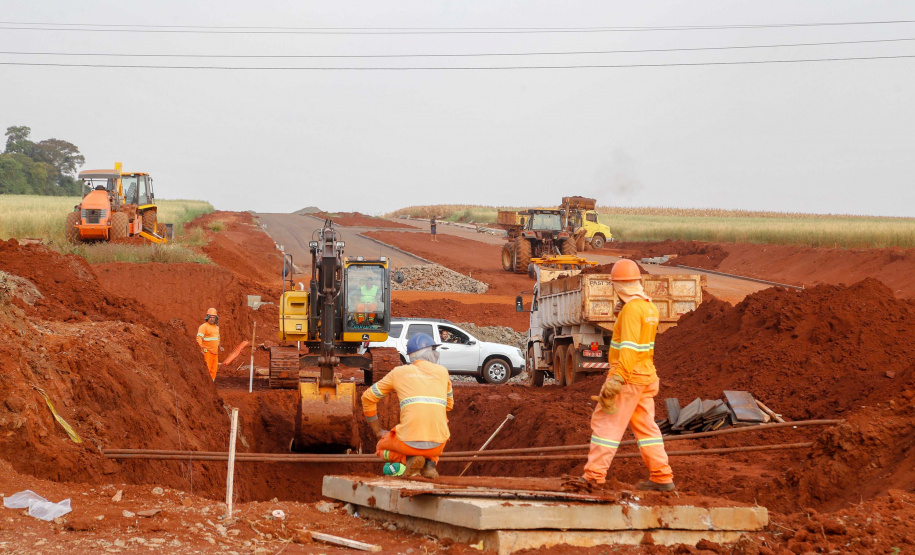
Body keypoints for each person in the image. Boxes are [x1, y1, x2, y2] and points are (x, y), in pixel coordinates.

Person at [581, 259, 675, 491]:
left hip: (629, 377)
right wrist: (621, 315)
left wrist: (617, 379)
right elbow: (640, 338)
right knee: (647, 428)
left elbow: (630, 347)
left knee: (606, 425)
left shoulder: (632, 310)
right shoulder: (648, 307)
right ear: (637, 283)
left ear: (618, 286)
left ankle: (593, 476)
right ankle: (662, 476)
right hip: (645, 376)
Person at [361, 333, 453, 478]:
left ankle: (408, 459)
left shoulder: (399, 372)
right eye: (434, 350)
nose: (436, 353)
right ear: (429, 353)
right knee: (442, 420)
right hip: (438, 446)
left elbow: (367, 397)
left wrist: (378, 430)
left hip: (408, 443)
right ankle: (430, 464)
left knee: (380, 448)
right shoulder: (443, 372)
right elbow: (449, 406)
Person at [196, 308, 222, 381]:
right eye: (210, 317)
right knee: (207, 369)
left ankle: (211, 384)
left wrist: (220, 346)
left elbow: (218, 338)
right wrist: (200, 349)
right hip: (207, 352)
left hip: (215, 353)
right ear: (207, 317)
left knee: (214, 370)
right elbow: (199, 338)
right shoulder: (203, 327)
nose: (212, 319)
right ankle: (206, 384)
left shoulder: (216, 327)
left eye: (213, 317)